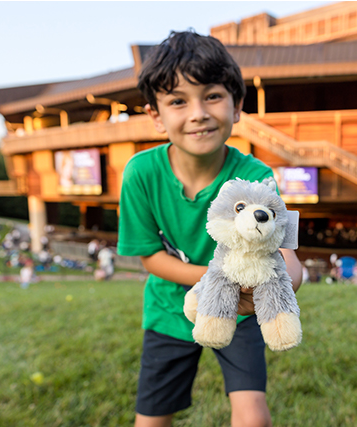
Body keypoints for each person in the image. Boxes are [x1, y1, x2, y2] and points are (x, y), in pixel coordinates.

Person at [118, 30, 302, 427]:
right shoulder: (140, 174)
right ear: (155, 115)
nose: (198, 113)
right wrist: (217, 282)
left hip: (242, 313)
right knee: (150, 420)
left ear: (237, 106)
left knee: (254, 418)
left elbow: (288, 257)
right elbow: (150, 256)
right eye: (178, 101)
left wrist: (277, 286)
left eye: (212, 96)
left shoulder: (256, 177)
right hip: (169, 311)